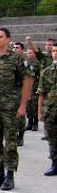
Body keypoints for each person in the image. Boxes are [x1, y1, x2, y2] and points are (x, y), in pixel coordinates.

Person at [0, 28, 32, 190]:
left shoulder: (16, 59)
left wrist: (23, 105)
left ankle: (10, 175)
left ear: (8, 40)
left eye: (1, 37)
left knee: (10, 142)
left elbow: (26, 81)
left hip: (10, 107)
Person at [37, 44, 57, 176]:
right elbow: (41, 93)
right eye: (54, 51)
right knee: (52, 139)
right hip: (50, 111)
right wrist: (39, 112)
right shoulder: (47, 71)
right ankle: (55, 164)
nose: (55, 53)